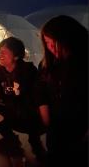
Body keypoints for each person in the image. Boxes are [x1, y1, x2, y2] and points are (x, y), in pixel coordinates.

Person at [35, 16, 88, 166]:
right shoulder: (47, 65)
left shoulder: (83, 65)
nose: (51, 48)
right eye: (47, 43)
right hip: (56, 131)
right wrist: (44, 112)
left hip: (80, 133)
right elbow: (40, 89)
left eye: (54, 42)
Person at [0, 37, 45, 159]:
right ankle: (11, 140)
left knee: (28, 109)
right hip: (9, 111)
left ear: (16, 56)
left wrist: (0, 98)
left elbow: (28, 100)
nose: (0, 54)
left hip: (28, 115)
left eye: (4, 52)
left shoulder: (28, 70)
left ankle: (36, 145)